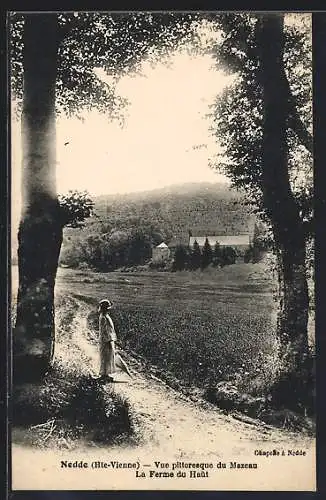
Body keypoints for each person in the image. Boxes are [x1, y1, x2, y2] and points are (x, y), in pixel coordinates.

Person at [98, 299, 132, 383]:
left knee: (109, 356)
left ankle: (106, 374)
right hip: (106, 341)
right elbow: (104, 331)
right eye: (107, 308)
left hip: (108, 340)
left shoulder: (105, 316)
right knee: (106, 357)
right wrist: (109, 341)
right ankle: (104, 375)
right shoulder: (103, 317)